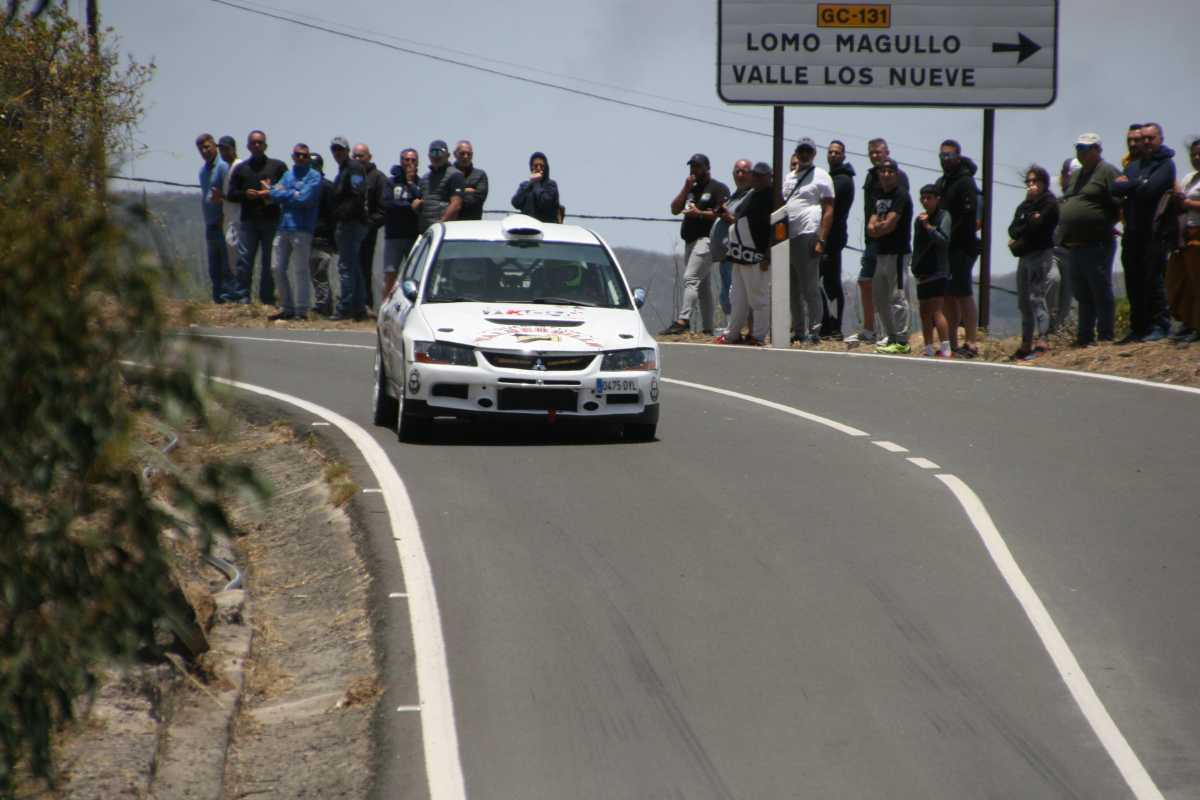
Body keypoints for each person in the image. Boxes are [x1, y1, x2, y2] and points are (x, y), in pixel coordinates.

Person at [1113, 122, 1176, 342]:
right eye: (1143, 139)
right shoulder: (1134, 165)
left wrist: (1130, 185)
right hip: (1132, 231)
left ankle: (1160, 325)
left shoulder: (1166, 165)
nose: (1146, 142)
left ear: (1160, 139)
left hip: (1154, 232)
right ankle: (1139, 327)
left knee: (1154, 279)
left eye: (1151, 138)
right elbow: (1115, 188)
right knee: (1134, 280)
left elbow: (1150, 190)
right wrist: (1137, 183)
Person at [1058, 132, 1121, 346]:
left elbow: (1120, 201)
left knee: (1100, 289)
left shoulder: (1107, 171)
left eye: (1086, 148)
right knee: (1082, 292)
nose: (1081, 153)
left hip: (1097, 242)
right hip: (1075, 244)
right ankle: (1084, 337)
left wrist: (1105, 223)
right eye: (1079, 148)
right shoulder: (1076, 175)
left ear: (1098, 150)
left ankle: (1105, 335)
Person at [847, 137, 910, 345]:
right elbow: (872, 219)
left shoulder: (900, 183)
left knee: (896, 294)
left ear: (887, 153)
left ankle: (897, 338)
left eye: (879, 152)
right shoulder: (872, 179)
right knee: (869, 285)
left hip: (895, 247)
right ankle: (872, 331)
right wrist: (874, 230)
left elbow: (892, 220)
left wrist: (880, 227)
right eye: (872, 152)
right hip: (874, 244)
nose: (875, 156)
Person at [660, 153, 730, 335]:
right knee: (703, 286)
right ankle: (708, 329)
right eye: (692, 166)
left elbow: (722, 213)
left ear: (707, 168)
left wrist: (699, 213)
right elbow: (674, 209)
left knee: (690, 278)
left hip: (707, 240)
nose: (694, 170)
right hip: (690, 242)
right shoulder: (691, 189)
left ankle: (683, 320)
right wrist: (686, 188)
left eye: (698, 166)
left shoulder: (718, 188)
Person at [780, 137, 834, 344]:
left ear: (814, 154)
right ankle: (799, 330)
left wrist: (821, 239)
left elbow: (829, 209)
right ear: (796, 153)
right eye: (801, 151)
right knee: (792, 289)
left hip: (808, 232)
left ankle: (815, 331)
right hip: (787, 236)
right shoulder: (789, 176)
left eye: (808, 151)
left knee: (810, 287)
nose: (804, 154)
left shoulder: (821, 175)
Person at [715, 161, 773, 345]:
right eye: (754, 175)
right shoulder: (751, 194)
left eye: (760, 176)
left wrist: (768, 255)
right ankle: (732, 334)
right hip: (739, 254)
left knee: (758, 298)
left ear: (768, 178)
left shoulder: (772, 197)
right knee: (737, 298)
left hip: (756, 255)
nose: (756, 178)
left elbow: (775, 229)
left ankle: (758, 336)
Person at [227, 130, 286, 305]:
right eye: (253, 143)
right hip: (249, 221)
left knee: (269, 262)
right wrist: (245, 194)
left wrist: (270, 192)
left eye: (260, 142)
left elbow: (287, 189)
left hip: (271, 220)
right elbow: (231, 194)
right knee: (244, 260)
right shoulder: (241, 169)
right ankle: (242, 295)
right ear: (248, 146)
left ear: (265, 145)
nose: (257, 146)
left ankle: (267, 298)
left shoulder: (277, 167)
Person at [1007, 165, 1060, 359]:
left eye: (1034, 181)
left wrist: (1028, 221)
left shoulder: (1049, 202)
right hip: (1024, 256)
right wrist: (1029, 218)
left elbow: (1038, 225)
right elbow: (1013, 230)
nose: (1031, 185)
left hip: (1040, 254)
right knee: (1024, 302)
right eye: (1028, 182)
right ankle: (1025, 344)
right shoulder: (1024, 205)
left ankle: (1042, 340)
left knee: (1037, 298)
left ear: (1043, 183)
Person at [935, 138, 981, 357]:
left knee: (963, 293)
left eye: (949, 155)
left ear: (958, 157)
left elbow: (967, 217)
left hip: (962, 246)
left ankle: (971, 342)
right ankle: (951, 344)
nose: (945, 159)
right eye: (942, 155)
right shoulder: (942, 182)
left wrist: (949, 236)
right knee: (947, 296)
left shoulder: (965, 182)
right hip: (944, 249)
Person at [266, 143, 322, 321]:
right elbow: (273, 193)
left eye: (305, 155)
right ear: (293, 156)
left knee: (300, 270)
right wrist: (292, 193)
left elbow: (305, 199)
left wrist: (283, 193)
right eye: (298, 155)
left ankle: (301, 310)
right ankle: (287, 307)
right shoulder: (287, 175)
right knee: (276, 267)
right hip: (283, 227)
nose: (301, 158)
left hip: (302, 229)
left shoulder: (314, 176)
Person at [866, 158, 912, 353]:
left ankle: (901, 341)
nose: (886, 175)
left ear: (896, 174)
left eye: (890, 171)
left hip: (898, 253)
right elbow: (871, 225)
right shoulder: (877, 194)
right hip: (881, 253)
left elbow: (890, 224)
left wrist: (879, 228)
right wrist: (878, 228)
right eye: (882, 171)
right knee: (879, 297)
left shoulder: (901, 195)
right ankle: (890, 336)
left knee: (897, 296)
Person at [329, 135, 369, 320]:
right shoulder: (343, 169)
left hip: (351, 224)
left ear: (347, 150)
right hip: (348, 224)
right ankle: (359, 307)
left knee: (345, 267)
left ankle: (345, 307)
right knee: (353, 266)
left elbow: (357, 194)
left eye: (340, 149)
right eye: (334, 149)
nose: (337, 153)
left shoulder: (353, 168)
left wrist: (343, 215)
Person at [710, 159, 754, 320]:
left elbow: (748, 222)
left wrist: (728, 216)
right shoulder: (735, 196)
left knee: (734, 295)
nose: (740, 175)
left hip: (738, 253)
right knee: (726, 295)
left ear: (752, 175)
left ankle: (741, 326)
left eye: (744, 172)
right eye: (737, 171)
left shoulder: (751, 195)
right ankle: (733, 326)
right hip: (725, 255)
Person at [910, 184, 952, 357]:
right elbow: (917, 245)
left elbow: (944, 240)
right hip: (923, 271)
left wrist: (928, 226)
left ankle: (946, 348)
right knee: (924, 311)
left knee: (936, 311)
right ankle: (928, 347)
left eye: (929, 198)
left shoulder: (944, 216)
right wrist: (914, 265)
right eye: (923, 198)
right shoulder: (919, 219)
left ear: (937, 199)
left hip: (938, 269)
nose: (925, 201)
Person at [1166, 136, 1200, 343]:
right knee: (1180, 281)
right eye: (1193, 154)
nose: (1196, 158)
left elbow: (1186, 203)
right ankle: (1188, 322)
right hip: (1185, 235)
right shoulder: (1189, 179)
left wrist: (1186, 203)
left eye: (1199, 154)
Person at [821, 139, 855, 338]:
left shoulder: (842, 180)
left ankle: (834, 328)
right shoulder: (830, 177)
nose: (833, 155)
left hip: (832, 238)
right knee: (818, 282)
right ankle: (826, 325)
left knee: (831, 283)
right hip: (824, 236)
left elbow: (827, 206)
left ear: (843, 155)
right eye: (830, 152)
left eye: (837, 152)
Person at [195, 133, 234, 303]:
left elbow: (227, 194)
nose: (204, 151)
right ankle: (217, 297)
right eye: (201, 149)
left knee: (227, 263)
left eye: (207, 147)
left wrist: (224, 216)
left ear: (214, 147)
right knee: (214, 265)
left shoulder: (223, 167)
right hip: (210, 223)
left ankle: (228, 298)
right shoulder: (203, 171)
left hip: (223, 222)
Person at [381, 148, 422, 299]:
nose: (409, 163)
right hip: (394, 236)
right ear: (401, 161)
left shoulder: (421, 182)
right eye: (406, 159)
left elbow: (422, 200)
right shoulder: (391, 182)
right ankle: (384, 307)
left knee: (415, 276)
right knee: (390, 275)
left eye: (413, 160)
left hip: (414, 236)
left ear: (418, 163)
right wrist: (410, 206)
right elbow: (388, 204)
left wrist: (410, 183)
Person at [1047, 157, 1080, 334]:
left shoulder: (1083, 202)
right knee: (1052, 280)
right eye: (1066, 174)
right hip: (1053, 252)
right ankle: (1046, 327)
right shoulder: (1056, 203)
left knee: (1067, 297)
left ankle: (1056, 331)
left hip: (1074, 252)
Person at [353, 143, 387, 311]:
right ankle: (352, 304)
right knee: (350, 268)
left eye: (361, 156)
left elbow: (384, 209)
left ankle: (366, 304)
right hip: (350, 231)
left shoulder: (378, 178)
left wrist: (369, 225)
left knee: (365, 268)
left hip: (369, 232)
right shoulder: (349, 175)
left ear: (369, 157)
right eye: (355, 156)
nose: (357, 159)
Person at [307, 153, 338, 317]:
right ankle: (323, 304)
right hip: (310, 235)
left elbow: (333, 215)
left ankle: (324, 307)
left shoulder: (326, 187)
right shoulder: (307, 186)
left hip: (323, 237)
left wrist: (332, 239)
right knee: (315, 272)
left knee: (320, 270)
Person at [417, 139, 465, 233]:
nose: (436, 156)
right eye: (433, 152)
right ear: (429, 156)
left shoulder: (455, 175)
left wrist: (440, 225)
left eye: (440, 152)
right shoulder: (424, 179)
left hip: (445, 231)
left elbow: (456, 205)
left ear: (447, 155)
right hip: (426, 233)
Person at [217, 135, 242, 286]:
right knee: (231, 255)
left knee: (235, 252)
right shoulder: (228, 167)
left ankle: (240, 288)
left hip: (237, 217)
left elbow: (238, 195)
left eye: (226, 149)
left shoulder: (239, 166)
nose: (223, 153)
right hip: (229, 216)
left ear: (233, 149)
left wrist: (222, 196)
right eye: (221, 150)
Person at [511, 151, 560, 224]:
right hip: (527, 225)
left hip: (546, 226)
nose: (538, 168)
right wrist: (530, 184)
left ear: (546, 167)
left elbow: (545, 203)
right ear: (531, 167)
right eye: (536, 165)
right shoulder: (524, 185)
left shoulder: (551, 185)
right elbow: (515, 203)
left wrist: (536, 183)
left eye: (541, 166)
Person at [454, 140, 488, 221]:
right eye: (462, 153)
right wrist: (467, 190)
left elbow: (477, 201)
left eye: (469, 154)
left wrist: (456, 193)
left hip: (472, 224)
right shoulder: (448, 174)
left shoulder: (480, 175)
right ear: (455, 154)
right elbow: (443, 198)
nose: (466, 156)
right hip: (450, 224)